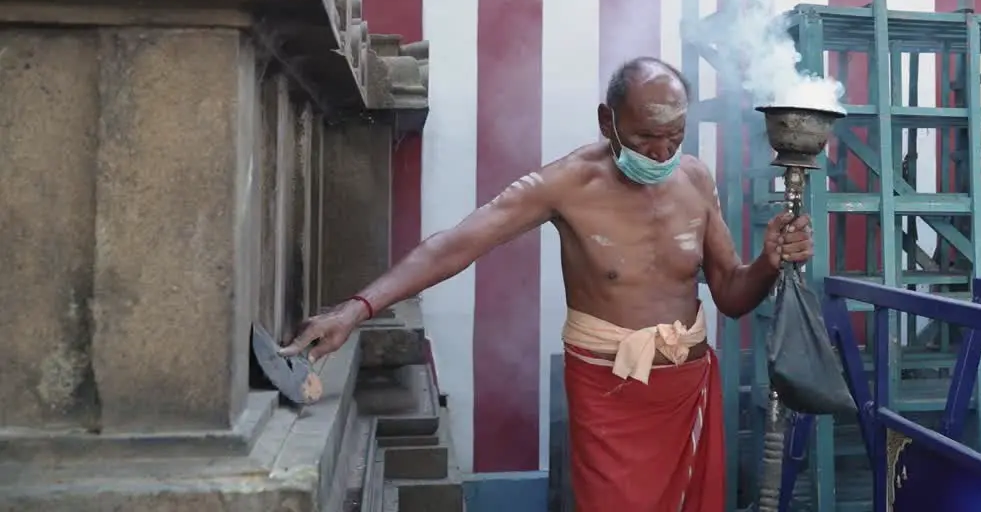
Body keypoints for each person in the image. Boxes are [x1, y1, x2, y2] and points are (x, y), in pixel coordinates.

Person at [281, 56, 814, 511]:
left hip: (686, 390)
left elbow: (732, 297)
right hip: (610, 394)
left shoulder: (695, 178)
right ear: (608, 122)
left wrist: (767, 262)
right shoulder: (566, 183)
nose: (660, 153)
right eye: (646, 137)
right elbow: (456, 244)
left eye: (674, 137)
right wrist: (356, 309)